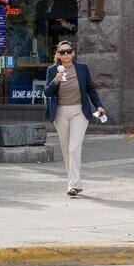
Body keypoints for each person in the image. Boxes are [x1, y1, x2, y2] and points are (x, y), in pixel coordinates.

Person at [44, 41, 106, 197]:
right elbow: (47, 93)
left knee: (74, 147)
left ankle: (73, 185)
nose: (66, 55)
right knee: (66, 149)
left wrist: (98, 106)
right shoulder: (52, 70)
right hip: (60, 112)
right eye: (62, 52)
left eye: (68, 51)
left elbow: (90, 89)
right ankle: (73, 182)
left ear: (73, 53)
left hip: (79, 111)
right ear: (58, 54)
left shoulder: (82, 68)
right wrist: (56, 80)